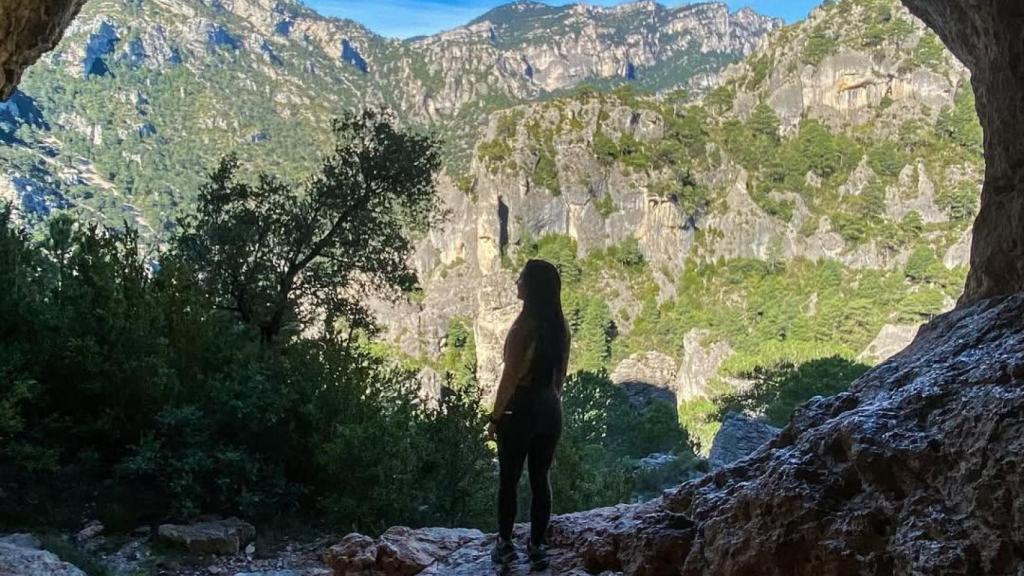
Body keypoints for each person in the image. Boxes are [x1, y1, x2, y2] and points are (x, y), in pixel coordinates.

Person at [487, 259, 571, 571]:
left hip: (520, 406)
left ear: (532, 287)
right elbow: (560, 374)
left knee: (509, 478)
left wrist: (495, 418)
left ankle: (505, 544)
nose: (516, 282)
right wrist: (550, 402)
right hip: (550, 406)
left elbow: (509, 378)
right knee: (541, 477)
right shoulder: (560, 327)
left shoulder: (523, 328)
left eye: (521, 278)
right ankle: (537, 546)